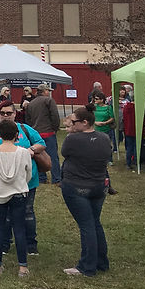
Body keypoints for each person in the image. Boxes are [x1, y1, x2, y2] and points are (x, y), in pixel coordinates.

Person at [0, 101, 46, 256]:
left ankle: (31, 244)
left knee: (28, 212)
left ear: (15, 114)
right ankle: (4, 244)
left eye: (8, 113)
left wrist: (29, 150)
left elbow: (41, 144)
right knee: (6, 216)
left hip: (26, 180)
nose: (5, 116)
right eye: (2, 113)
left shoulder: (24, 128)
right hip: (3, 181)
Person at [60, 106, 112, 276]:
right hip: (98, 186)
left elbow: (65, 153)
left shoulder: (72, 140)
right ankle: (101, 261)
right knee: (95, 222)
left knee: (87, 225)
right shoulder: (104, 138)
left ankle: (87, 266)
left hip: (77, 186)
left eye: (74, 122)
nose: (72, 125)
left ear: (85, 122)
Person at [0, 119, 33, 278]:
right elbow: (28, 175)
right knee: (19, 228)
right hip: (19, 193)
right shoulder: (24, 152)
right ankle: (22, 267)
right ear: (17, 135)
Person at [25, 83, 62, 183]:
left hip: (35, 134)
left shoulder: (30, 104)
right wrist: (55, 128)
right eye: (48, 91)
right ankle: (56, 178)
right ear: (44, 91)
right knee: (53, 156)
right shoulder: (49, 101)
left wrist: (32, 131)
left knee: (38, 156)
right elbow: (55, 116)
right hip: (48, 132)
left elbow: (27, 119)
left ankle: (41, 177)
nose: (49, 93)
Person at [121, 94, 137, 171]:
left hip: (128, 129)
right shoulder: (137, 108)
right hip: (135, 129)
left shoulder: (126, 107)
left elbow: (123, 118)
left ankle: (128, 163)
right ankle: (135, 161)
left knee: (129, 147)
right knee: (135, 146)